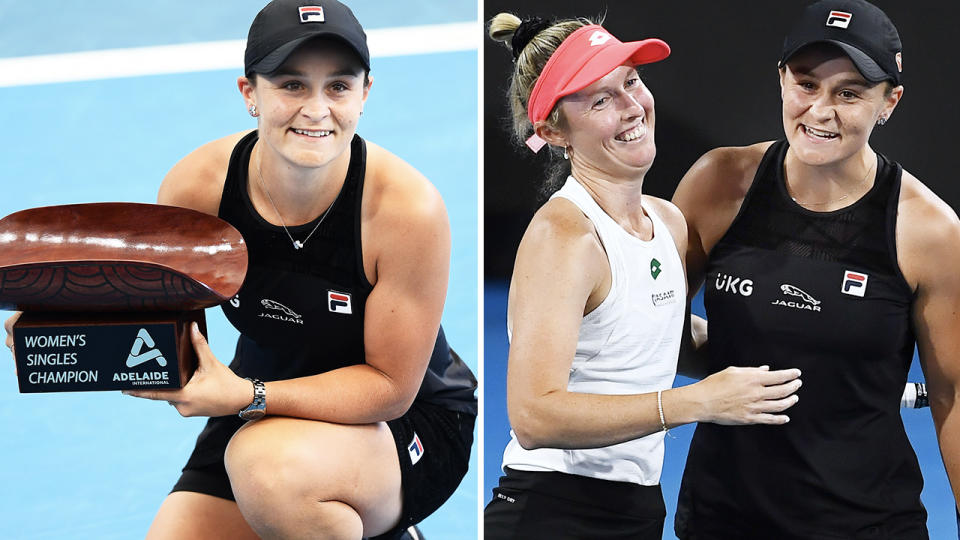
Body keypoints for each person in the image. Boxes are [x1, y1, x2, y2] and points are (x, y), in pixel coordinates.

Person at [4, 1, 477, 538]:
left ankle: (379, 526)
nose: (317, 109)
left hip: (400, 421)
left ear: (365, 93)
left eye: (338, 86)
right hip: (261, 397)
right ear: (249, 93)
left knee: (267, 468)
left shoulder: (405, 212)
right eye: (292, 85)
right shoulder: (197, 190)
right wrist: (64, 325)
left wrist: (247, 395)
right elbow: (167, 332)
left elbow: (391, 386)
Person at [482, 13, 802, 539]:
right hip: (553, 513)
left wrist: (791, 360)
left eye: (630, 81)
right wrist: (698, 402)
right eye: (600, 100)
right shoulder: (564, 237)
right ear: (552, 131)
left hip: (637, 508)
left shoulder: (668, 222)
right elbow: (534, 417)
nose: (632, 107)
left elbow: (663, 344)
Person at [671, 0, 960, 537]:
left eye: (849, 93)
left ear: (889, 102)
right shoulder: (718, 184)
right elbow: (655, 323)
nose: (821, 111)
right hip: (722, 518)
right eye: (806, 84)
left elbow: (953, 395)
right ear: (781, 80)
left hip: (866, 524)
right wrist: (738, 353)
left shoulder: (931, 232)